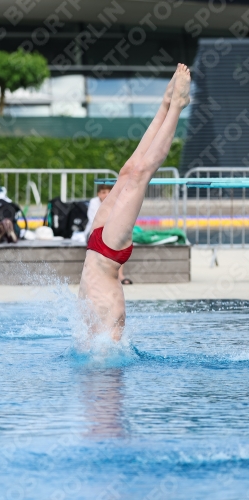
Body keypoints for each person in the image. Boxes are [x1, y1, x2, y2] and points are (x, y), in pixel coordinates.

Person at [79, 63, 191, 341]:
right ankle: (175, 105)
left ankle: (169, 105)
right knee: (138, 175)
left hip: (99, 250)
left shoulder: (102, 347)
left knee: (131, 173)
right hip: (106, 254)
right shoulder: (108, 345)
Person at [84, 184, 132, 285]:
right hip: (94, 231)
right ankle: (98, 275)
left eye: (109, 192)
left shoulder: (117, 203)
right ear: (98, 194)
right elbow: (95, 221)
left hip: (111, 231)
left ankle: (120, 275)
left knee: (120, 241)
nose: (106, 195)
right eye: (103, 192)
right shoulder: (94, 202)